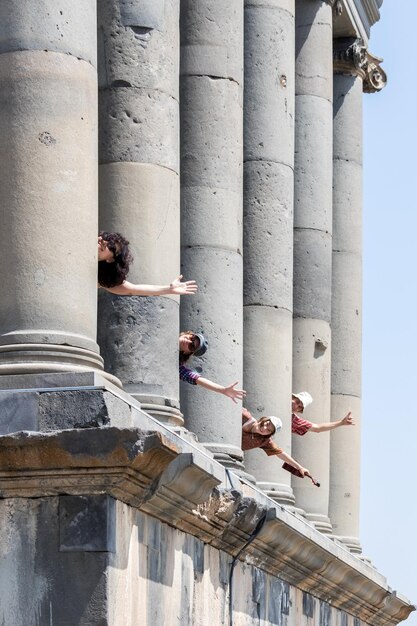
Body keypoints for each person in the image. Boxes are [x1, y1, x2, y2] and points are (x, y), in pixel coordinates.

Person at [98, 232, 197, 296]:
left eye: (112, 247)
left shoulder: (100, 278)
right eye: (106, 238)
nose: (104, 242)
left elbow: (133, 289)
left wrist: (169, 289)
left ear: (110, 259)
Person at [179, 331, 246, 403]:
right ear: (188, 333)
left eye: (191, 346)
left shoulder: (175, 365)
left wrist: (223, 390)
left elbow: (195, 377)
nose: (188, 341)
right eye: (192, 338)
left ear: (187, 352)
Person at [241, 407, 310, 477]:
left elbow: (280, 453)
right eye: (267, 424)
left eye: (268, 430)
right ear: (264, 419)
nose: (264, 428)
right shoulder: (245, 416)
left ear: (269, 434)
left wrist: (299, 467)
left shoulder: (263, 440)